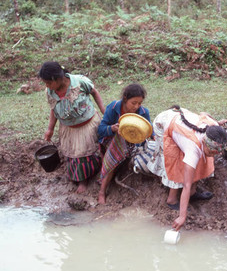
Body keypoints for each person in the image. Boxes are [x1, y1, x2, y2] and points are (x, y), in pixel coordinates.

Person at [146, 106, 227, 231]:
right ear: (205, 144)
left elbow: (204, 113)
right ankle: (172, 200)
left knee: (201, 159)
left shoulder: (213, 128)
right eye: (213, 152)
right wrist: (182, 217)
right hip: (163, 125)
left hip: (181, 123)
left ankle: (193, 194)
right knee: (176, 163)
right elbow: (186, 185)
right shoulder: (192, 149)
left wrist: (219, 122)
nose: (215, 156)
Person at [39, 61, 105, 194]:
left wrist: (105, 112)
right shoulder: (50, 91)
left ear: (58, 78)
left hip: (87, 124)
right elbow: (54, 109)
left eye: (48, 82)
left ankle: (88, 179)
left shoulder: (79, 82)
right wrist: (50, 129)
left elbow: (94, 92)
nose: (47, 86)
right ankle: (80, 178)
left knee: (87, 153)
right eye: (45, 83)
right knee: (73, 155)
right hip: (68, 128)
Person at [97, 83, 152, 204]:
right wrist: (112, 128)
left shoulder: (143, 112)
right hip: (112, 142)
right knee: (119, 140)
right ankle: (102, 191)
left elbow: (149, 131)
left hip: (133, 145)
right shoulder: (113, 107)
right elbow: (100, 130)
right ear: (125, 99)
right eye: (134, 103)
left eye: (139, 103)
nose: (136, 106)